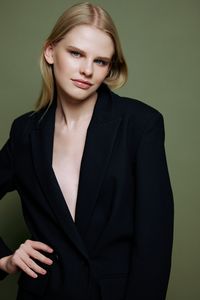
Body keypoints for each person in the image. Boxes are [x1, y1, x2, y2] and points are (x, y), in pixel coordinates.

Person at [0, 2, 174, 300]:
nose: (87, 70)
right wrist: (4, 259)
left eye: (101, 61)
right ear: (50, 52)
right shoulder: (25, 132)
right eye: (76, 53)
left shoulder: (140, 125)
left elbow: (154, 243)